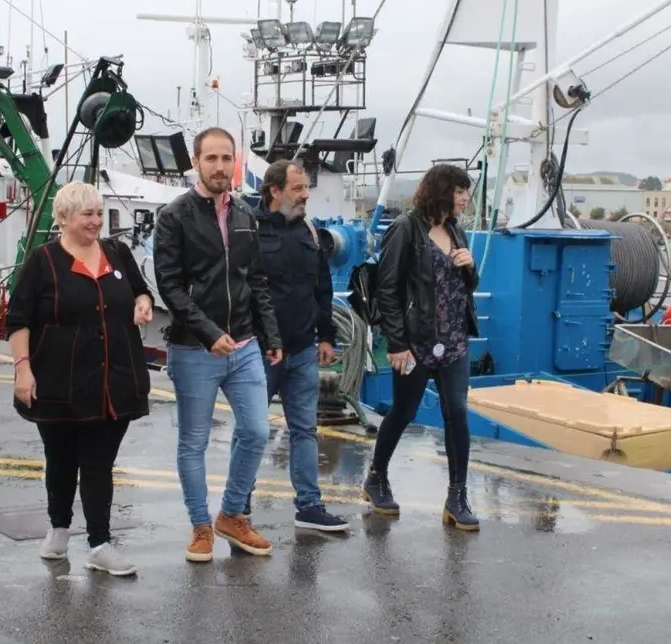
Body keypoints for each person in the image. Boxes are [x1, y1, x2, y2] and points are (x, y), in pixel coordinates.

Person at [5, 181, 153, 577]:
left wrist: (142, 304)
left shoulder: (117, 253)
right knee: (60, 459)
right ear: (65, 218)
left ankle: (99, 543)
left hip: (113, 381)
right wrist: (23, 368)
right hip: (58, 382)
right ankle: (58, 526)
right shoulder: (43, 260)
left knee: (99, 463)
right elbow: (18, 320)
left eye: (100, 213)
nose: (96, 221)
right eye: (88, 214)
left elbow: (141, 292)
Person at [153, 126, 284, 563]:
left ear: (235, 162)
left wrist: (271, 336)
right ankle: (200, 526)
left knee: (256, 430)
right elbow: (169, 288)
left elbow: (257, 282)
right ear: (196, 163)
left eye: (226, 158)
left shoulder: (246, 215)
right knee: (193, 442)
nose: (220, 166)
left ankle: (231, 514)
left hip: (245, 343)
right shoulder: (174, 217)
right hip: (195, 349)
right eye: (211, 158)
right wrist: (209, 333)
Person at [362, 163, 481, 532]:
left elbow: (466, 286)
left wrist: (469, 267)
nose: (464, 199)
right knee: (404, 410)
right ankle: (376, 477)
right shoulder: (406, 229)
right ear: (442, 191)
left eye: (466, 192)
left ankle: (457, 496)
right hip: (416, 341)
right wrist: (397, 344)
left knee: (457, 413)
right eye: (460, 191)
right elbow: (388, 288)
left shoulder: (455, 231)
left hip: (454, 339)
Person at [245, 159, 349, 532]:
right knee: (252, 431)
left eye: (306, 188)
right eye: (298, 188)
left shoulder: (309, 231)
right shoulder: (249, 229)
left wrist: (326, 336)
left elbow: (322, 287)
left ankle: (309, 505)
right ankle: (238, 505)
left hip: (304, 349)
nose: (306, 195)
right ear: (275, 191)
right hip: (259, 352)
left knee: (305, 429)